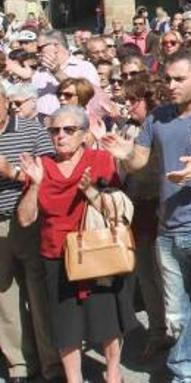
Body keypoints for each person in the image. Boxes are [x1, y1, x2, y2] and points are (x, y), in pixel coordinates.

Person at [100, 51, 191, 382]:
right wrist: (124, 155)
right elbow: (139, 161)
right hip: (167, 230)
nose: (170, 85)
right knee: (177, 314)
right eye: (167, 78)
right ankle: (184, 375)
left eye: (179, 79)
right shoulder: (158, 118)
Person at [18, 106, 137, 383]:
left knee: (107, 317)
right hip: (56, 254)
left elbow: (115, 211)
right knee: (65, 325)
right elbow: (25, 220)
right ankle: (74, 379)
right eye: (55, 130)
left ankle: (113, 373)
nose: (60, 136)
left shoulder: (100, 160)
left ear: (83, 134)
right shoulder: (41, 165)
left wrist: (89, 190)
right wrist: (35, 185)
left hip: (97, 251)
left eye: (69, 130)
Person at [0, 84, 60, 382]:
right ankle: (19, 365)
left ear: (4, 102)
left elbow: (49, 174)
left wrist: (11, 172)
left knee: (39, 295)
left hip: (29, 220)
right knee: (5, 298)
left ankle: (52, 365)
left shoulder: (31, 129)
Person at [117, 75, 173, 359]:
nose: (128, 107)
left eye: (133, 100)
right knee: (147, 277)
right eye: (126, 100)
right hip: (137, 208)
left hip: (163, 207)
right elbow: (122, 172)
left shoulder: (165, 127)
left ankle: (175, 332)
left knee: (168, 276)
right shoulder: (128, 128)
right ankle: (157, 332)